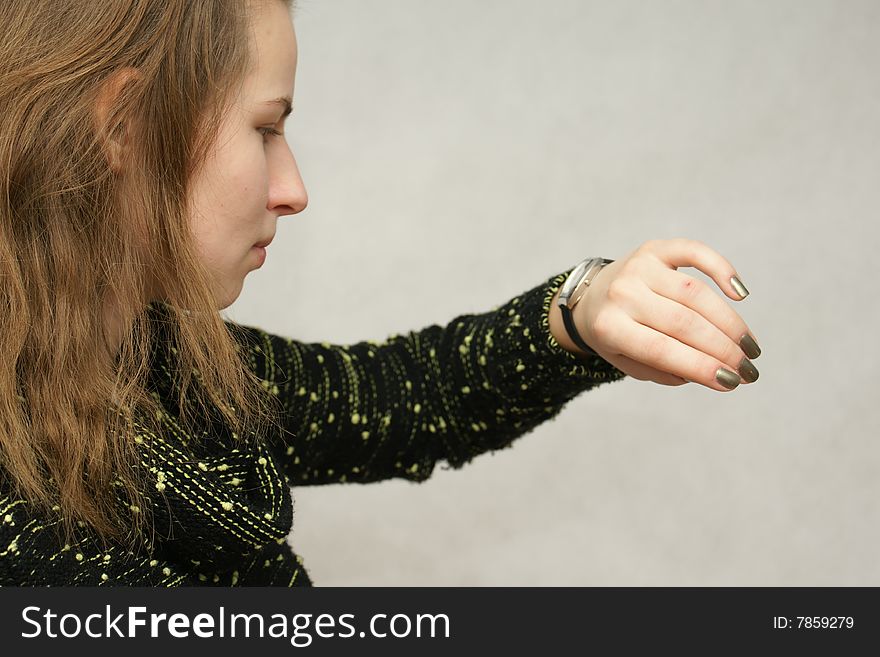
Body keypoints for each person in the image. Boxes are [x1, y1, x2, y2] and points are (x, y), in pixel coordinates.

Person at [0, 0, 761, 586]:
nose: (293, 189)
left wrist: (579, 312)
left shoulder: (156, 355)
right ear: (124, 126)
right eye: (265, 129)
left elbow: (402, 397)